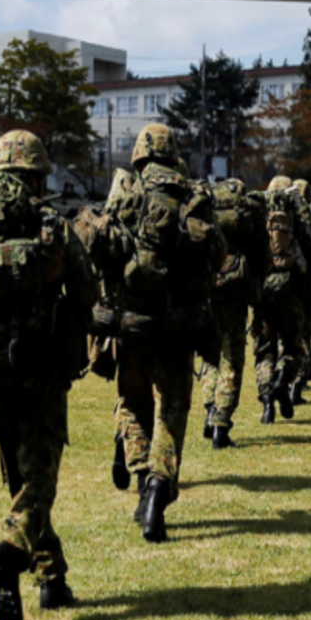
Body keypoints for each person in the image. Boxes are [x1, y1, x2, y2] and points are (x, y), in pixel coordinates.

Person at [0, 130, 98, 620]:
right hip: (35, 364)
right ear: (33, 174)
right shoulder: (43, 218)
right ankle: (9, 553)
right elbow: (84, 288)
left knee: (18, 468)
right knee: (41, 475)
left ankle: (50, 580)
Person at [84, 123, 224, 543]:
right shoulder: (194, 193)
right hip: (179, 325)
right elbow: (217, 254)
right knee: (172, 409)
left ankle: (143, 478)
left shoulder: (125, 188)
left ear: (140, 155)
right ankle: (159, 488)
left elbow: (102, 249)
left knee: (132, 404)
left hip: (130, 323)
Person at [201, 178, 267, 449]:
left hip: (207, 289)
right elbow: (262, 255)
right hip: (236, 293)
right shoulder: (248, 215)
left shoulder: (207, 208)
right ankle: (221, 424)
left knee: (210, 353)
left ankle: (208, 407)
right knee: (232, 356)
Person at [252, 176, 308, 422]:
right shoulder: (296, 217)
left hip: (264, 292)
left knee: (264, 352)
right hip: (290, 291)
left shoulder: (258, 215)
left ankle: (266, 405)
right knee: (293, 347)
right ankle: (283, 381)